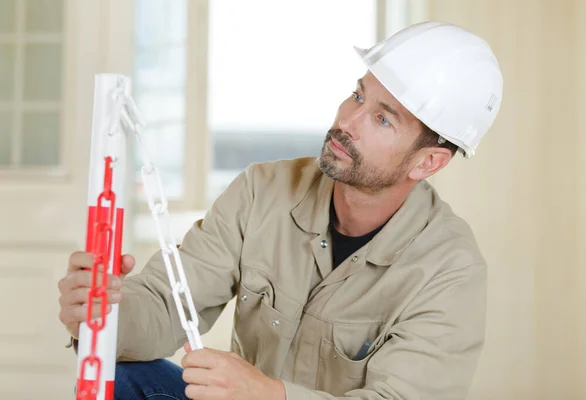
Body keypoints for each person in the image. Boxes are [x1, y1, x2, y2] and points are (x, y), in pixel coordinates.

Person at [58, 21, 503, 400]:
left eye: (383, 119)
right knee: (123, 375)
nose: (348, 121)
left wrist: (269, 394)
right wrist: (103, 313)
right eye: (358, 96)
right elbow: (167, 303)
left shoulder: (450, 270)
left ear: (428, 162)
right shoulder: (262, 191)